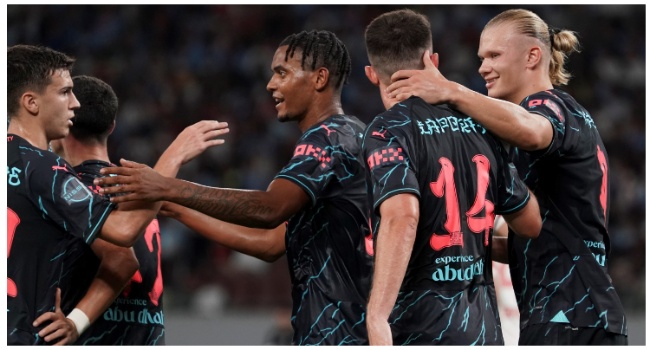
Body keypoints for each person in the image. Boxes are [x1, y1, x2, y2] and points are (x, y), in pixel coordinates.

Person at [94, 30, 373, 345]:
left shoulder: (327, 138)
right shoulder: (354, 134)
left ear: (320, 78)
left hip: (338, 331)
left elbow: (270, 209)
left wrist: (168, 186)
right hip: (349, 325)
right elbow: (270, 244)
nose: (271, 84)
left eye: (282, 73)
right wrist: (174, 206)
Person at [386, 8, 628, 345]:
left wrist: (452, 92)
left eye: (494, 55)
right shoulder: (531, 132)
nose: (483, 67)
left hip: (569, 316)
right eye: (482, 57)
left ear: (532, 56)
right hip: (575, 314)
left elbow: (532, 130)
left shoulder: (553, 106)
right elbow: (529, 237)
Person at [7, 44, 228, 345]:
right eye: (64, 93)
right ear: (31, 102)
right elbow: (122, 235)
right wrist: (174, 155)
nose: (74, 103)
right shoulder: (46, 167)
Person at [361, 9, 542, 345]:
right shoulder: (479, 124)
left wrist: (377, 316)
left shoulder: (387, 132)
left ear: (372, 74)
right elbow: (530, 223)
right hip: (482, 330)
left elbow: (402, 217)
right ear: (433, 60)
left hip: (419, 328)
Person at [49, 75, 167, 345]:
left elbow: (122, 260)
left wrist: (74, 322)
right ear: (112, 126)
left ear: (65, 124)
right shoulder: (141, 190)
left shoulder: (66, 190)